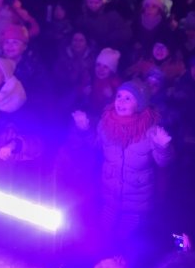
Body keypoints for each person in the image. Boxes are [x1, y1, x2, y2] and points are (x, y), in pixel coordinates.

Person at [71, 80, 174, 244]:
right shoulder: (105, 125)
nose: (121, 101)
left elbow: (163, 163)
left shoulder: (150, 131)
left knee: (127, 241)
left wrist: (163, 147)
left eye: (128, 98)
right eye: (119, 96)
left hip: (136, 202)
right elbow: (95, 147)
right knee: (103, 237)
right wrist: (84, 130)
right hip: (109, 197)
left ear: (139, 104)